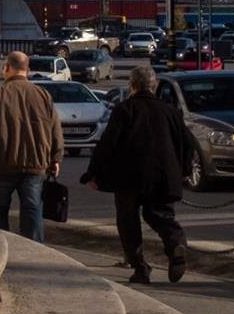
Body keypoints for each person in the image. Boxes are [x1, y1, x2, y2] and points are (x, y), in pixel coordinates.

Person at [80, 64, 190, 284]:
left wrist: (93, 174)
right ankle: (175, 242)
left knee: (128, 221)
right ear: (155, 85)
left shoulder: (125, 109)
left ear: (132, 86)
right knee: (161, 215)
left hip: (129, 176)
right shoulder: (169, 111)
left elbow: (108, 144)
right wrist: (183, 171)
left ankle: (140, 267)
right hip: (163, 175)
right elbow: (184, 144)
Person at [0, 50, 63, 242]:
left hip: (3, 164)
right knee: (32, 211)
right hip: (35, 164)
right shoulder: (43, 95)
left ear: (7, 68)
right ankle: (34, 252)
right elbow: (55, 127)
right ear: (28, 70)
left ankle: (2, 249)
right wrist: (56, 157)